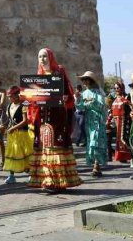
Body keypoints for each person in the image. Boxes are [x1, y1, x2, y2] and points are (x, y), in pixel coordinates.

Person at [27, 48, 82, 193]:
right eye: (39, 57)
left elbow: (69, 95)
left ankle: (58, 181)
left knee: (55, 147)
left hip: (57, 118)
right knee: (45, 149)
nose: (42, 59)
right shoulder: (38, 78)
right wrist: (29, 99)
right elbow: (34, 100)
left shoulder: (59, 73)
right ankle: (48, 180)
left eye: (44, 56)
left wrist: (65, 98)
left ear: (50, 57)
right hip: (43, 119)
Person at [79, 71, 108, 177]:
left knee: (95, 142)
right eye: (83, 79)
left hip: (97, 120)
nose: (84, 81)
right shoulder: (83, 94)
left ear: (90, 81)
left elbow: (101, 106)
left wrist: (92, 102)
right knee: (90, 142)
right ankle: (95, 165)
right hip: (89, 121)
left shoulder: (97, 92)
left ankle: (96, 165)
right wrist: (77, 99)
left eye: (86, 79)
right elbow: (80, 107)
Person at [2, 86, 32, 184]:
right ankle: (11, 176)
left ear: (16, 95)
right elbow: (9, 119)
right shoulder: (9, 105)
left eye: (11, 96)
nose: (9, 98)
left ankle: (30, 174)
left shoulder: (24, 104)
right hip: (12, 136)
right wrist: (4, 125)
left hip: (22, 134)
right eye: (9, 96)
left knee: (24, 153)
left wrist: (13, 128)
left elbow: (25, 121)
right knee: (11, 154)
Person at [108, 80, 132, 163]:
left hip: (124, 120)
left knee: (123, 138)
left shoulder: (126, 97)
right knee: (118, 139)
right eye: (115, 88)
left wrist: (126, 103)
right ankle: (120, 156)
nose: (116, 90)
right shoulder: (115, 99)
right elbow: (111, 111)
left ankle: (128, 156)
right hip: (116, 121)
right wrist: (108, 121)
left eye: (117, 88)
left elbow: (131, 107)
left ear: (122, 88)